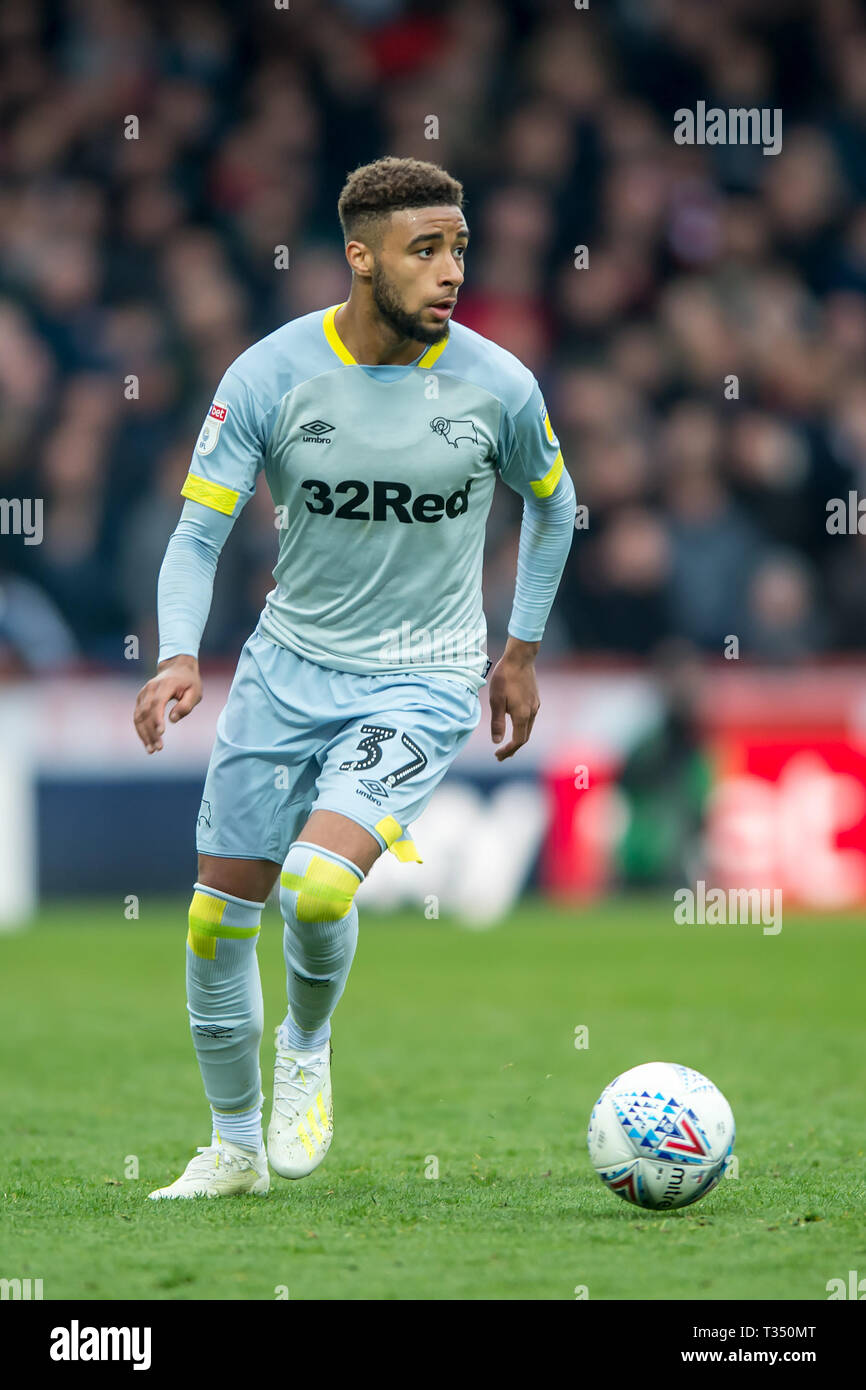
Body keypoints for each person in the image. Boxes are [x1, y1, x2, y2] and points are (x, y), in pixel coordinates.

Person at [133, 156, 576, 1199]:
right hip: (286, 671)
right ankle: (234, 1149)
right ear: (360, 255)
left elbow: (556, 507)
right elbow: (197, 535)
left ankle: (306, 1045)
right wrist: (176, 653)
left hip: (421, 676)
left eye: (457, 247)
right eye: (425, 249)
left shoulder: (497, 384)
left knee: (320, 887)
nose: (449, 271)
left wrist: (518, 649)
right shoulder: (269, 375)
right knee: (210, 920)